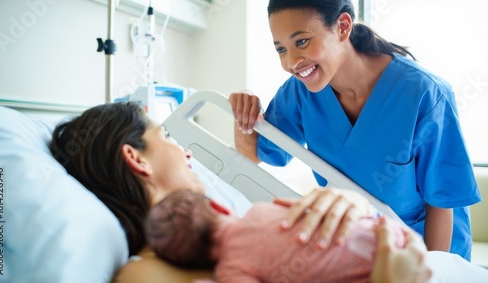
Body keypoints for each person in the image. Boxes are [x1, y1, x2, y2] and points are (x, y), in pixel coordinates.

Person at [49, 101, 431, 283]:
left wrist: (352, 203)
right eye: (165, 135)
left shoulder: (229, 217)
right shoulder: (145, 274)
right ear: (137, 158)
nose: (186, 151)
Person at [229, 0, 481, 261]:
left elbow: (442, 201)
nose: (292, 62)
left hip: (430, 251)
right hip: (359, 249)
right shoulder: (300, 92)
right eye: (281, 49)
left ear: (343, 26)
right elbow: (254, 153)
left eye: (301, 42)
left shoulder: (424, 94)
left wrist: (431, 272)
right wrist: (244, 107)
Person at [146, 189, 420, 283]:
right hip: (389, 235)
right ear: (218, 206)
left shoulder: (231, 270)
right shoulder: (260, 209)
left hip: (376, 271)